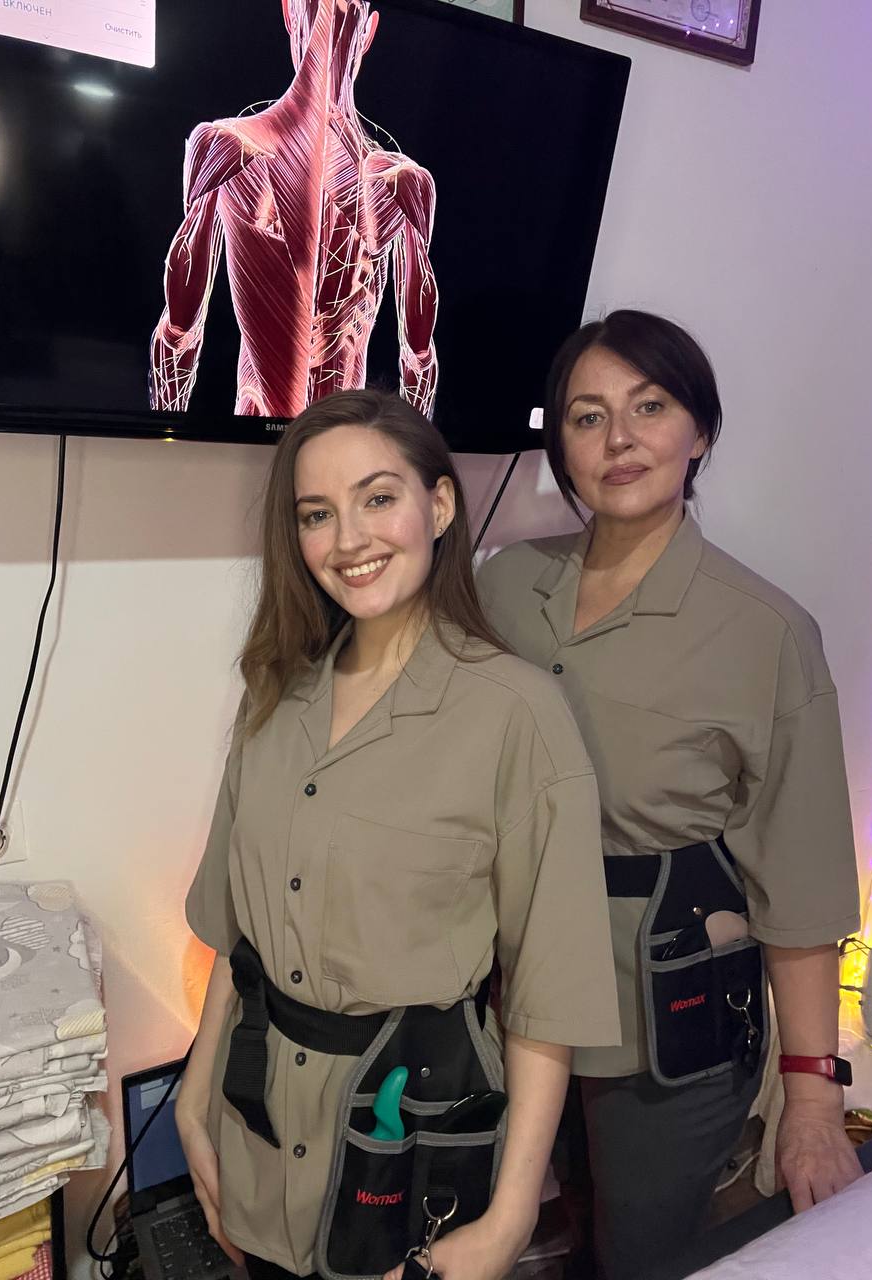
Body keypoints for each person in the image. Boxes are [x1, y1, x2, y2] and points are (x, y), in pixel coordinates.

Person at [176, 389, 620, 1280]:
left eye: (377, 498)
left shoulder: (516, 712)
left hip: (410, 1150)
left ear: (440, 505)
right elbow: (236, 932)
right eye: (317, 514)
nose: (349, 540)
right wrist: (193, 1099)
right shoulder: (274, 694)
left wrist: (508, 1221)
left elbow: (549, 995)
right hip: (255, 1134)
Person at [476, 310, 863, 1280]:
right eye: (588, 416)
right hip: (509, 996)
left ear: (700, 430)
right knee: (518, 1235)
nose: (619, 439)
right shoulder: (505, 586)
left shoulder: (766, 631)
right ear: (560, 445)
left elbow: (801, 882)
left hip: (664, 1017)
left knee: (644, 1251)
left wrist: (813, 1098)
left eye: (649, 407)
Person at [150, 0, 438, 418]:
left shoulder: (402, 183)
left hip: (343, 438)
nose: (328, 24)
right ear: (290, 12)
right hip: (253, 433)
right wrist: (164, 437)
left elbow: (419, 352)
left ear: (368, 30)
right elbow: (180, 326)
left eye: (344, 9)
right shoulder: (228, 148)